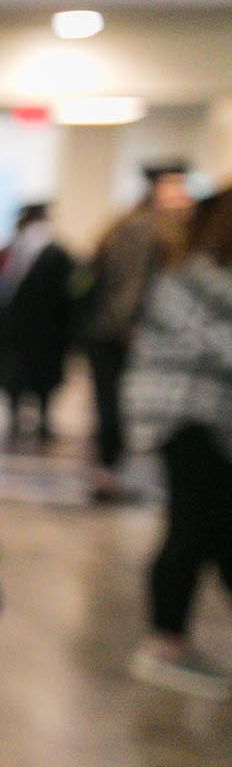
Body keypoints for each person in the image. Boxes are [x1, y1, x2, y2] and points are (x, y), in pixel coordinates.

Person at [125, 188, 232, 700]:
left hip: (207, 424)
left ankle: (169, 638)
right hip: (187, 421)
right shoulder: (193, 281)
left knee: (212, 529)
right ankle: (163, 642)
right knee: (193, 527)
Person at [81, 160, 195, 502]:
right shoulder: (142, 228)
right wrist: (132, 332)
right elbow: (128, 289)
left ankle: (110, 474)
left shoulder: (135, 224)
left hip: (120, 334)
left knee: (115, 407)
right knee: (115, 408)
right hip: (120, 336)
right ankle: (108, 477)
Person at [0, 203, 76, 445]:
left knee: (38, 380)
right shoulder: (9, 253)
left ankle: (39, 420)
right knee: (18, 378)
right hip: (25, 330)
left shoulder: (53, 254)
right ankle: (20, 418)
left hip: (41, 330)